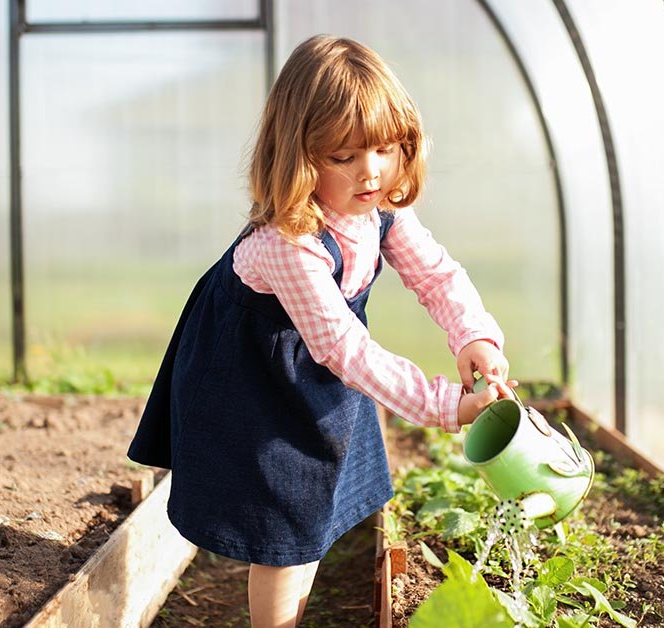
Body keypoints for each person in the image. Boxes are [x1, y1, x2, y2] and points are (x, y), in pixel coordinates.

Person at [126, 34, 515, 628]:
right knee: (284, 522)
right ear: (299, 157)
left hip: (312, 369)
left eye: (386, 149)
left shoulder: (380, 208)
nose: (372, 172)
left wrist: (473, 337)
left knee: (312, 509)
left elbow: (436, 275)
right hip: (255, 383)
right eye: (344, 157)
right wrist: (445, 405)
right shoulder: (289, 243)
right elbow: (344, 349)